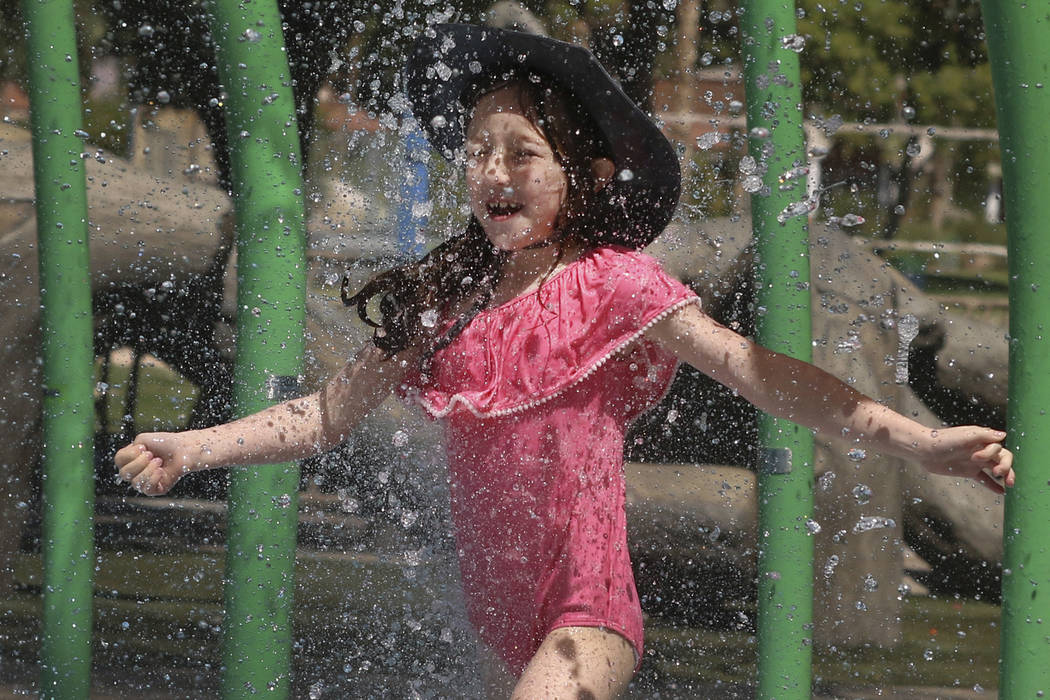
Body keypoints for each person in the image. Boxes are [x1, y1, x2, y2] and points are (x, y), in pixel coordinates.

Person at [115, 23, 1014, 700]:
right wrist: (197, 447)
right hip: (493, 613)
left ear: (578, 173)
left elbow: (763, 374)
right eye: (477, 153)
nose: (492, 171)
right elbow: (325, 412)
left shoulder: (614, 287)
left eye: (522, 153)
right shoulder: (448, 305)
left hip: (589, 612)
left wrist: (922, 447)